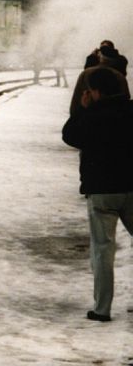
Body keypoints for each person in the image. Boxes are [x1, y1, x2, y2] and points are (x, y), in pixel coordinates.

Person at [61, 65, 133, 322]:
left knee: (103, 250)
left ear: (96, 92)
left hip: (102, 191)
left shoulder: (93, 115)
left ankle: (102, 309)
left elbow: (69, 136)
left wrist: (83, 108)